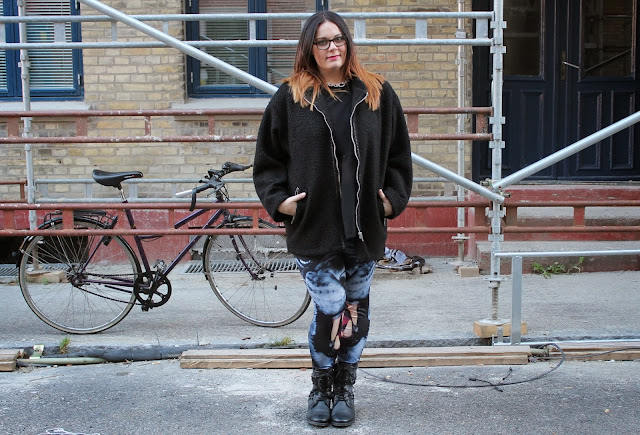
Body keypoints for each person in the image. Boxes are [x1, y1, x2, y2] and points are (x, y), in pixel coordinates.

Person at [253, 10, 413, 428]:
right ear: (309, 48)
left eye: (338, 38)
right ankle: (320, 386)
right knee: (331, 309)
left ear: (347, 42)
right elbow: (267, 161)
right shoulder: (290, 97)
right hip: (314, 226)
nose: (332, 48)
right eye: (322, 41)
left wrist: (392, 201)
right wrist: (281, 203)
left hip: (364, 226)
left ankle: (345, 387)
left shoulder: (377, 93)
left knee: (356, 311)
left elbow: (399, 155)